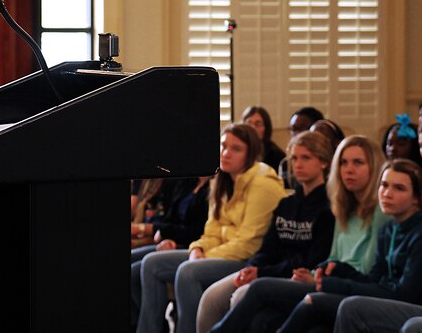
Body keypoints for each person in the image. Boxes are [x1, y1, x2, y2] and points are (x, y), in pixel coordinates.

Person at [210, 135, 389, 333]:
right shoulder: (342, 206)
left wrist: (317, 274)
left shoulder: (377, 212)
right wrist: (314, 272)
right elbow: (332, 257)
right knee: (262, 319)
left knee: (259, 289)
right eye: (344, 163)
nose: (349, 169)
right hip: (321, 279)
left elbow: (367, 267)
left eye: (358, 163)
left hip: (346, 287)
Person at [135, 124, 287, 333]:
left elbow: (249, 243)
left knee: (189, 271)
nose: (225, 153)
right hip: (220, 253)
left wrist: (206, 255)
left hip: (246, 260)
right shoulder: (222, 181)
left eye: (236, 149)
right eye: (223, 146)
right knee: (152, 263)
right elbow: (212, 231)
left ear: (250, 152)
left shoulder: (262, 184)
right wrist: (198, 248)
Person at [275, 159, 422, 333]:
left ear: (417, 198)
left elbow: (404, 295)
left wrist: (339, 285)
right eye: (384, 185)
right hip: (390, 300)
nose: (387, 193)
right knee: (316, 327)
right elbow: (375, 279)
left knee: (316, 302)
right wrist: (340, 269)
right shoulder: (389, 227)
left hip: (418, 308)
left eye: (399, 188)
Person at [194, 131, 335, 333]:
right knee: (212, 297)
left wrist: (261, 272)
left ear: (322, 162)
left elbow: (310, 259)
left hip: (293, 276)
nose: (299, 165)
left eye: (306, 158)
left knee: (242, 297)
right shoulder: (286, 204)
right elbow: (268, 246)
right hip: (267, 270)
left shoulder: (328, 207)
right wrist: (252, 268)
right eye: (294, 158)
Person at [333, 232, 422, 333]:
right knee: (352, 308)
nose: (386, 196)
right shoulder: (387, 228)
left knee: (417, 328)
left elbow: (405, 293)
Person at [130, 176, 212, 326]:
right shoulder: (187, 181)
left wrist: (163, 234)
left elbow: (198, 231)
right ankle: (139, 325)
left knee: (141, 268)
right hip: (172, 241)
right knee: (130, 260)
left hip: (190, 244)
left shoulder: (214, 187)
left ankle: (150, 328)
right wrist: (167, 238)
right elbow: (169, 219)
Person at [242, 106, 284, 172]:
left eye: (258, 124)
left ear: (266, 128)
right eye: (249, 123)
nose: (252, 128)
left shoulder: (276, 155)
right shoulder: (237, 150)